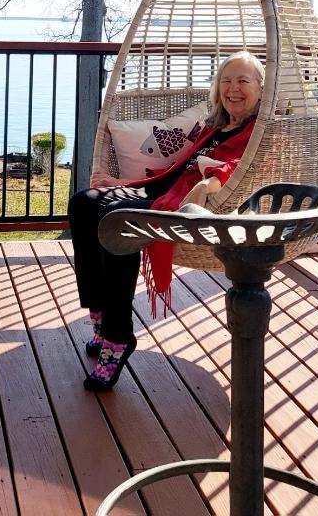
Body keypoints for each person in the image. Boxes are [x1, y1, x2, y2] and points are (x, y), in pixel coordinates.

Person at [68, 50, 264, 392]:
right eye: (227, 81)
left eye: (243, 81)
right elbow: (179, 166)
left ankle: (118, 335)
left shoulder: (257, 131)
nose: (233, 89)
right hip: (164, 188)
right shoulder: (217, 125)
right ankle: (99, 310)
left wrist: (207, 184)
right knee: (84, 203)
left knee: (118, 219)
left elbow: (237, 170)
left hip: (181, 202)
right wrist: (120, 185)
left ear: (262, 88)